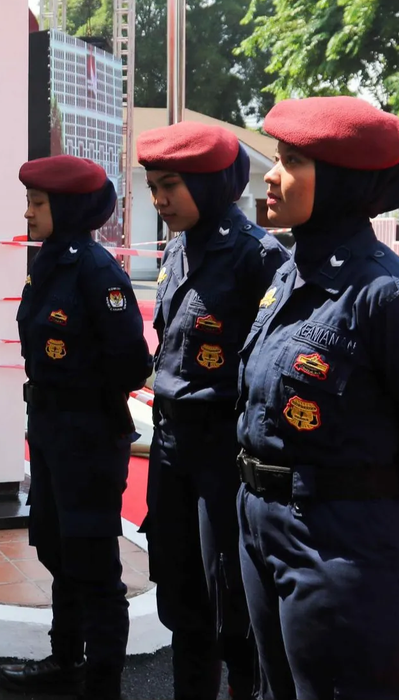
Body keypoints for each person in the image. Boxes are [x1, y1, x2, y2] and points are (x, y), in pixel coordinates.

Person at [236, 96, 399, 700]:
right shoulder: (291, 274)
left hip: (352, 554)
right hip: (270, 532)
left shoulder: (391, 297)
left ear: (339, 182)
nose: (271, 174)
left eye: (292, 160)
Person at [136, 122, 289, 700]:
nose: (160, 199)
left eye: (171, 184)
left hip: (225, 453)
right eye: (153, 186)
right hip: (173, 450)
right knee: (181, 597)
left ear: (209, 182)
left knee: (232, 598)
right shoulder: (178, 247)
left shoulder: (260, 257)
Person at [0, 155, 151, 700]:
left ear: (64, 208)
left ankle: (102, 681)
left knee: (92, 563)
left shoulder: (95, 270)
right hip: (51, 432)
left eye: (37, 203)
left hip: (86, 437)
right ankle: (66, 660)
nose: (29, 212)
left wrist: (83, 400)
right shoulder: (51, 264)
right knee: (58, 550)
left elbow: (132, 362)